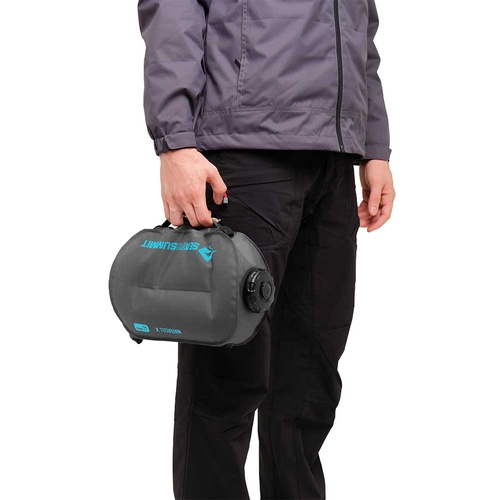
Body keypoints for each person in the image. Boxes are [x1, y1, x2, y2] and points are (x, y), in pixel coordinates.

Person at [138, 0, 396, 498]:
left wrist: (374, 144)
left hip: (334, 160)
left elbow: (359, 29)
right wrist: (175, 141)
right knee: (226, 378)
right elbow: (174, 9)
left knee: (310, 380)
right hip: (245, 155)